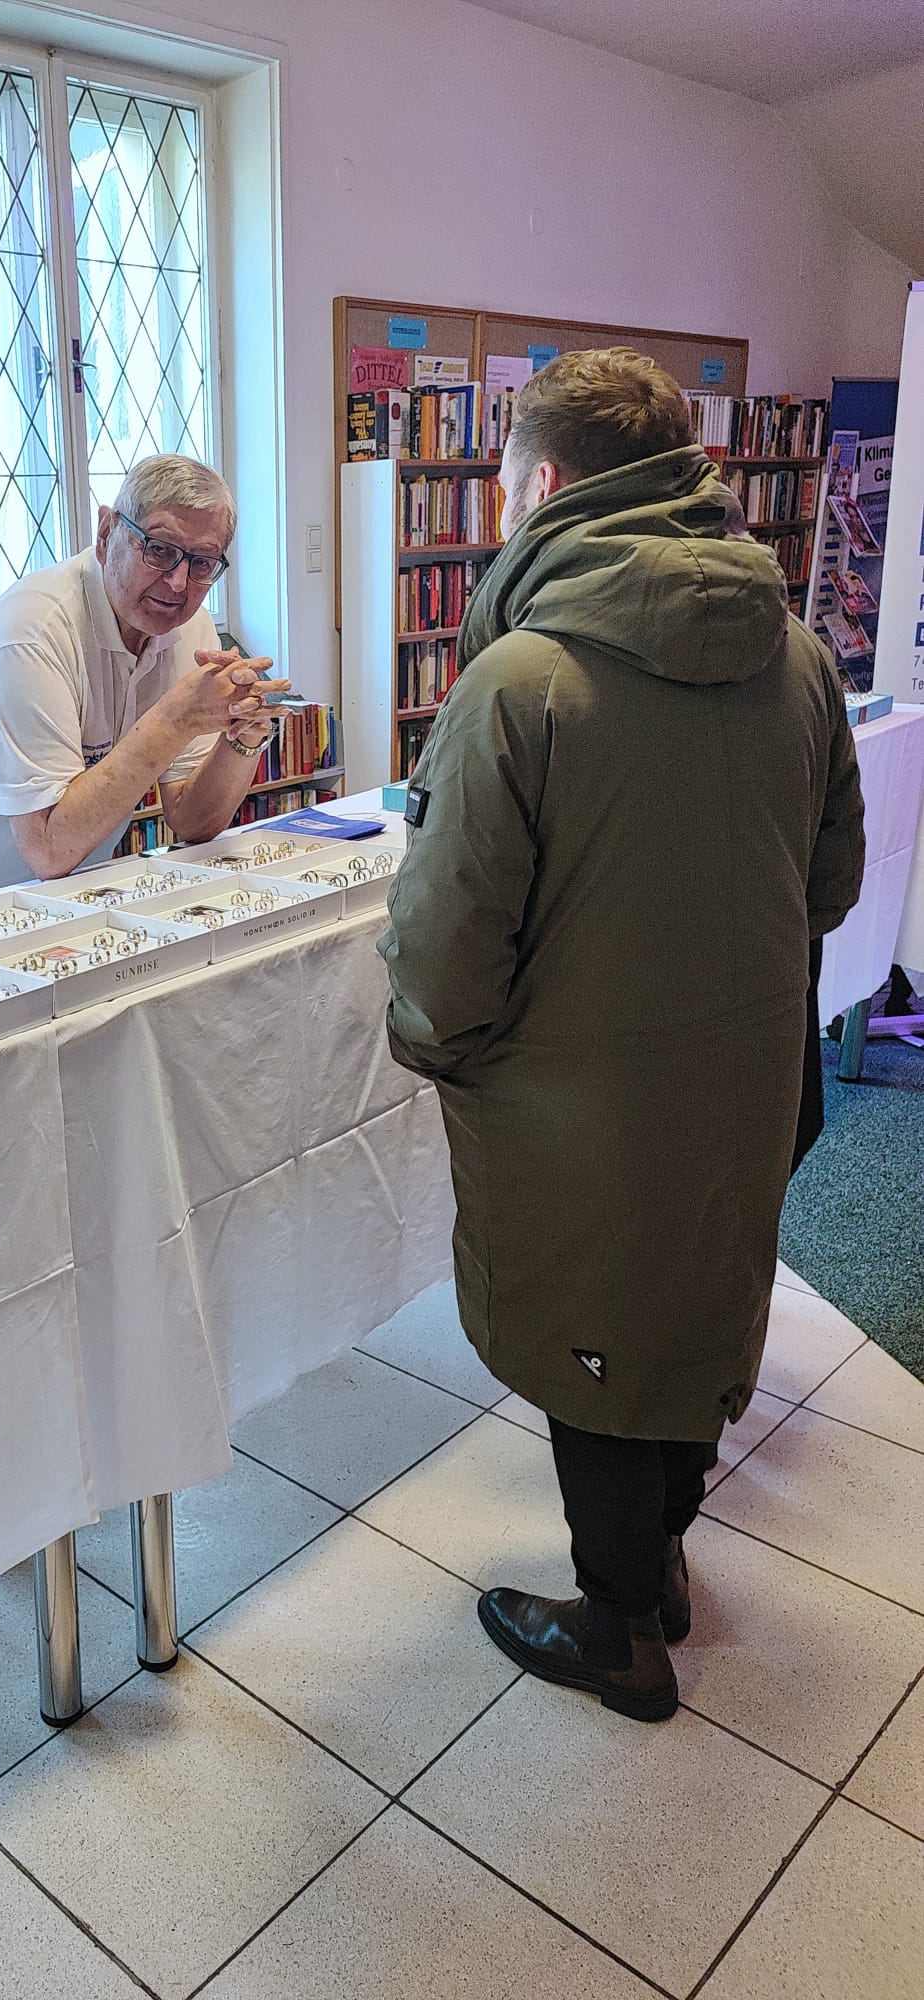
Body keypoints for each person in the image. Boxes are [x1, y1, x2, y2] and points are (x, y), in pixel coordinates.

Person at [379, 349, 865, 1723]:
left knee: (595, 1336)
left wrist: (438, 1048)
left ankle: (617, 1632)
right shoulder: (804, 655)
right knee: (700, 1307)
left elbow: (447, 948)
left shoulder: (521, 682)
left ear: (537, 483)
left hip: (584, 1106)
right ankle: (657, 1567)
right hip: (758, 1075)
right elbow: (828, 886)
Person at [0, 454, 289, 909]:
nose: (177, 582)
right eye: (159, 550)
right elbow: (48, 849)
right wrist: (174, 720)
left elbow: (192, 822)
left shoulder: (190, 626)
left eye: (202, 562)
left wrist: (242, 739)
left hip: (61, 872)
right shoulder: (30, 630)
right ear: (106, 534)